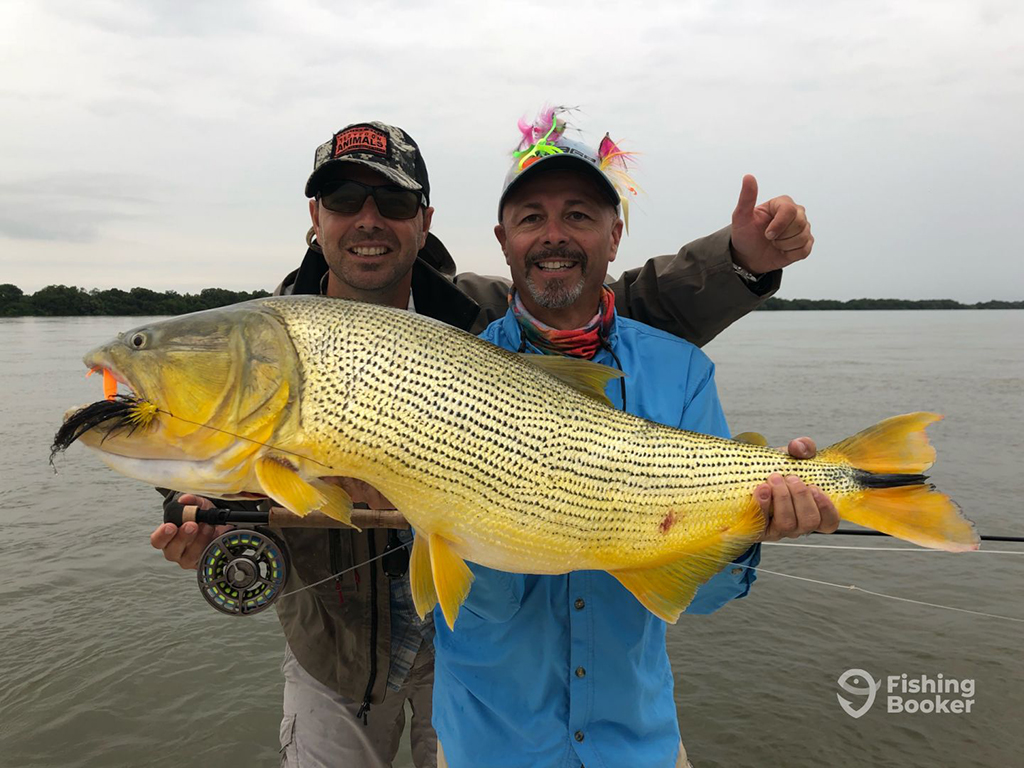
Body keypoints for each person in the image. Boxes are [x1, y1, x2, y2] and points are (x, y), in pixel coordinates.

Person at [150, 119, 834, 768]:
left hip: (458, 645)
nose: (367, 218)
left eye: (391, 199)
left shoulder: (473, 318)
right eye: (343, 197)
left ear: (424, 222)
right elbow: (186, 439)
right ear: (315, 216)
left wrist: (740, 260)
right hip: (335, 646)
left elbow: (607, 302)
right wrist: (195, 512)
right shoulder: (261, 341)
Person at [429, 114, 838, 768]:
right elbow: (443, 587)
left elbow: (704, 596)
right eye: (531, 217)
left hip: (638, 747)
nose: (554, 235)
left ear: (615, 235)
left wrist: (750, 529)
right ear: (503, 241)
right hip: (489, 747)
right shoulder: (442, 379)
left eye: (580, 215)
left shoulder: (680, 373)